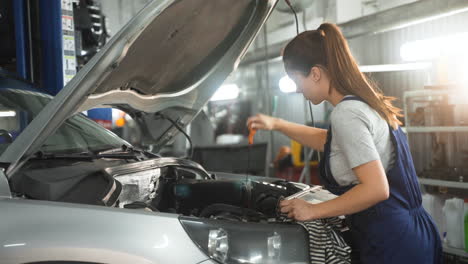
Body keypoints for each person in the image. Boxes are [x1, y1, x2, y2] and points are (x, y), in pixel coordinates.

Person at [247, 23, 442, 264]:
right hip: (412, 232)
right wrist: (277, 123)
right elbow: (332, 144)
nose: (297, 89)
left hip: (391, 241)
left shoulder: (347, 113)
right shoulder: (365, 102)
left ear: (315, 73)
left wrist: (312, 210)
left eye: (297, 80)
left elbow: (376, 189)